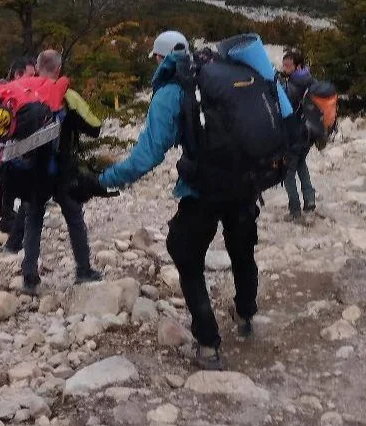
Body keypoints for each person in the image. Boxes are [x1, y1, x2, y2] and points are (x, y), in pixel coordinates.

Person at [97, 31, 258, 371]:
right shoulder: (223, 80)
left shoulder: (172, 91)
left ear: (161, 57)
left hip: (202, 190)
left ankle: (209, 343)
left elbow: (147, 157)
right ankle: (245, 314)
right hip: (245, 184)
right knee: (242, 249)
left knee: (185, 254)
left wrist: (103, 180)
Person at [16, 49, 104, 294]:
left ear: (36, 65)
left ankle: (30, 276)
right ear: (58, 69)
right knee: (74, 218)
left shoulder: (23, 93)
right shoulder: (68, 95)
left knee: (33, 219)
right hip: (62, 169)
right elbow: (95, 127)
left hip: (32, 171)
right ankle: (84, 270)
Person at [0, 56, 37, 236]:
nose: (33, 79)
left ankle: (16, 214)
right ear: (18, 74)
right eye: (30, 75)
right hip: (2, 148)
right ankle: (8, 216)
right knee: (9, 169)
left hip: (18, 146)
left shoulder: (27, 93)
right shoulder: (1, 92)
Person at [280, 49, 317, 220]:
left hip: (295, 133)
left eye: (288, 65)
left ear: (298, 66)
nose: (285, 68)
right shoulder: (311, 81)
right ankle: (310, 200)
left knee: (288, 172)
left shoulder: (293, 85)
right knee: (301, 164)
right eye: (284, 64)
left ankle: (295, 210)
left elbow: (285, 108)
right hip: (310, 132)